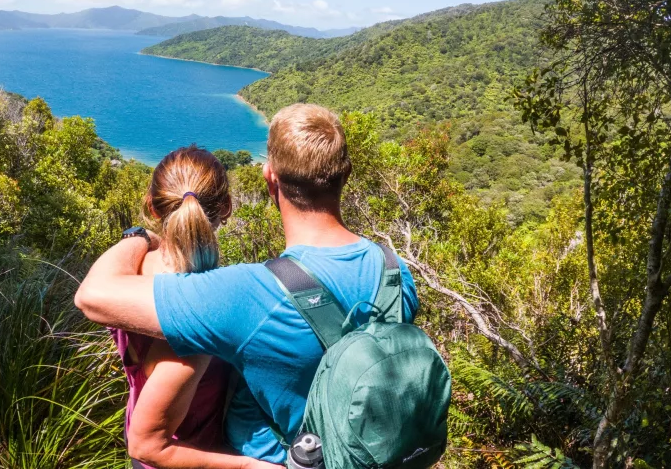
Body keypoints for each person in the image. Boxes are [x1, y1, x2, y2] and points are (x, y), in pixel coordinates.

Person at [77, 104, 420, 463]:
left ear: (270, 177)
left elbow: (93, 297)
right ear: (346, 174)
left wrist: (140, 238)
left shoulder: (245, 295)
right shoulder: (395, 272)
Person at [110, 146, 280, 469]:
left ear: (153, 207)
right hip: (190, 454)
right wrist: (248, 465)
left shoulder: (126, 275)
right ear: (226, 208)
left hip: (141, 432)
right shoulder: (205, 309)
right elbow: (150, 444)